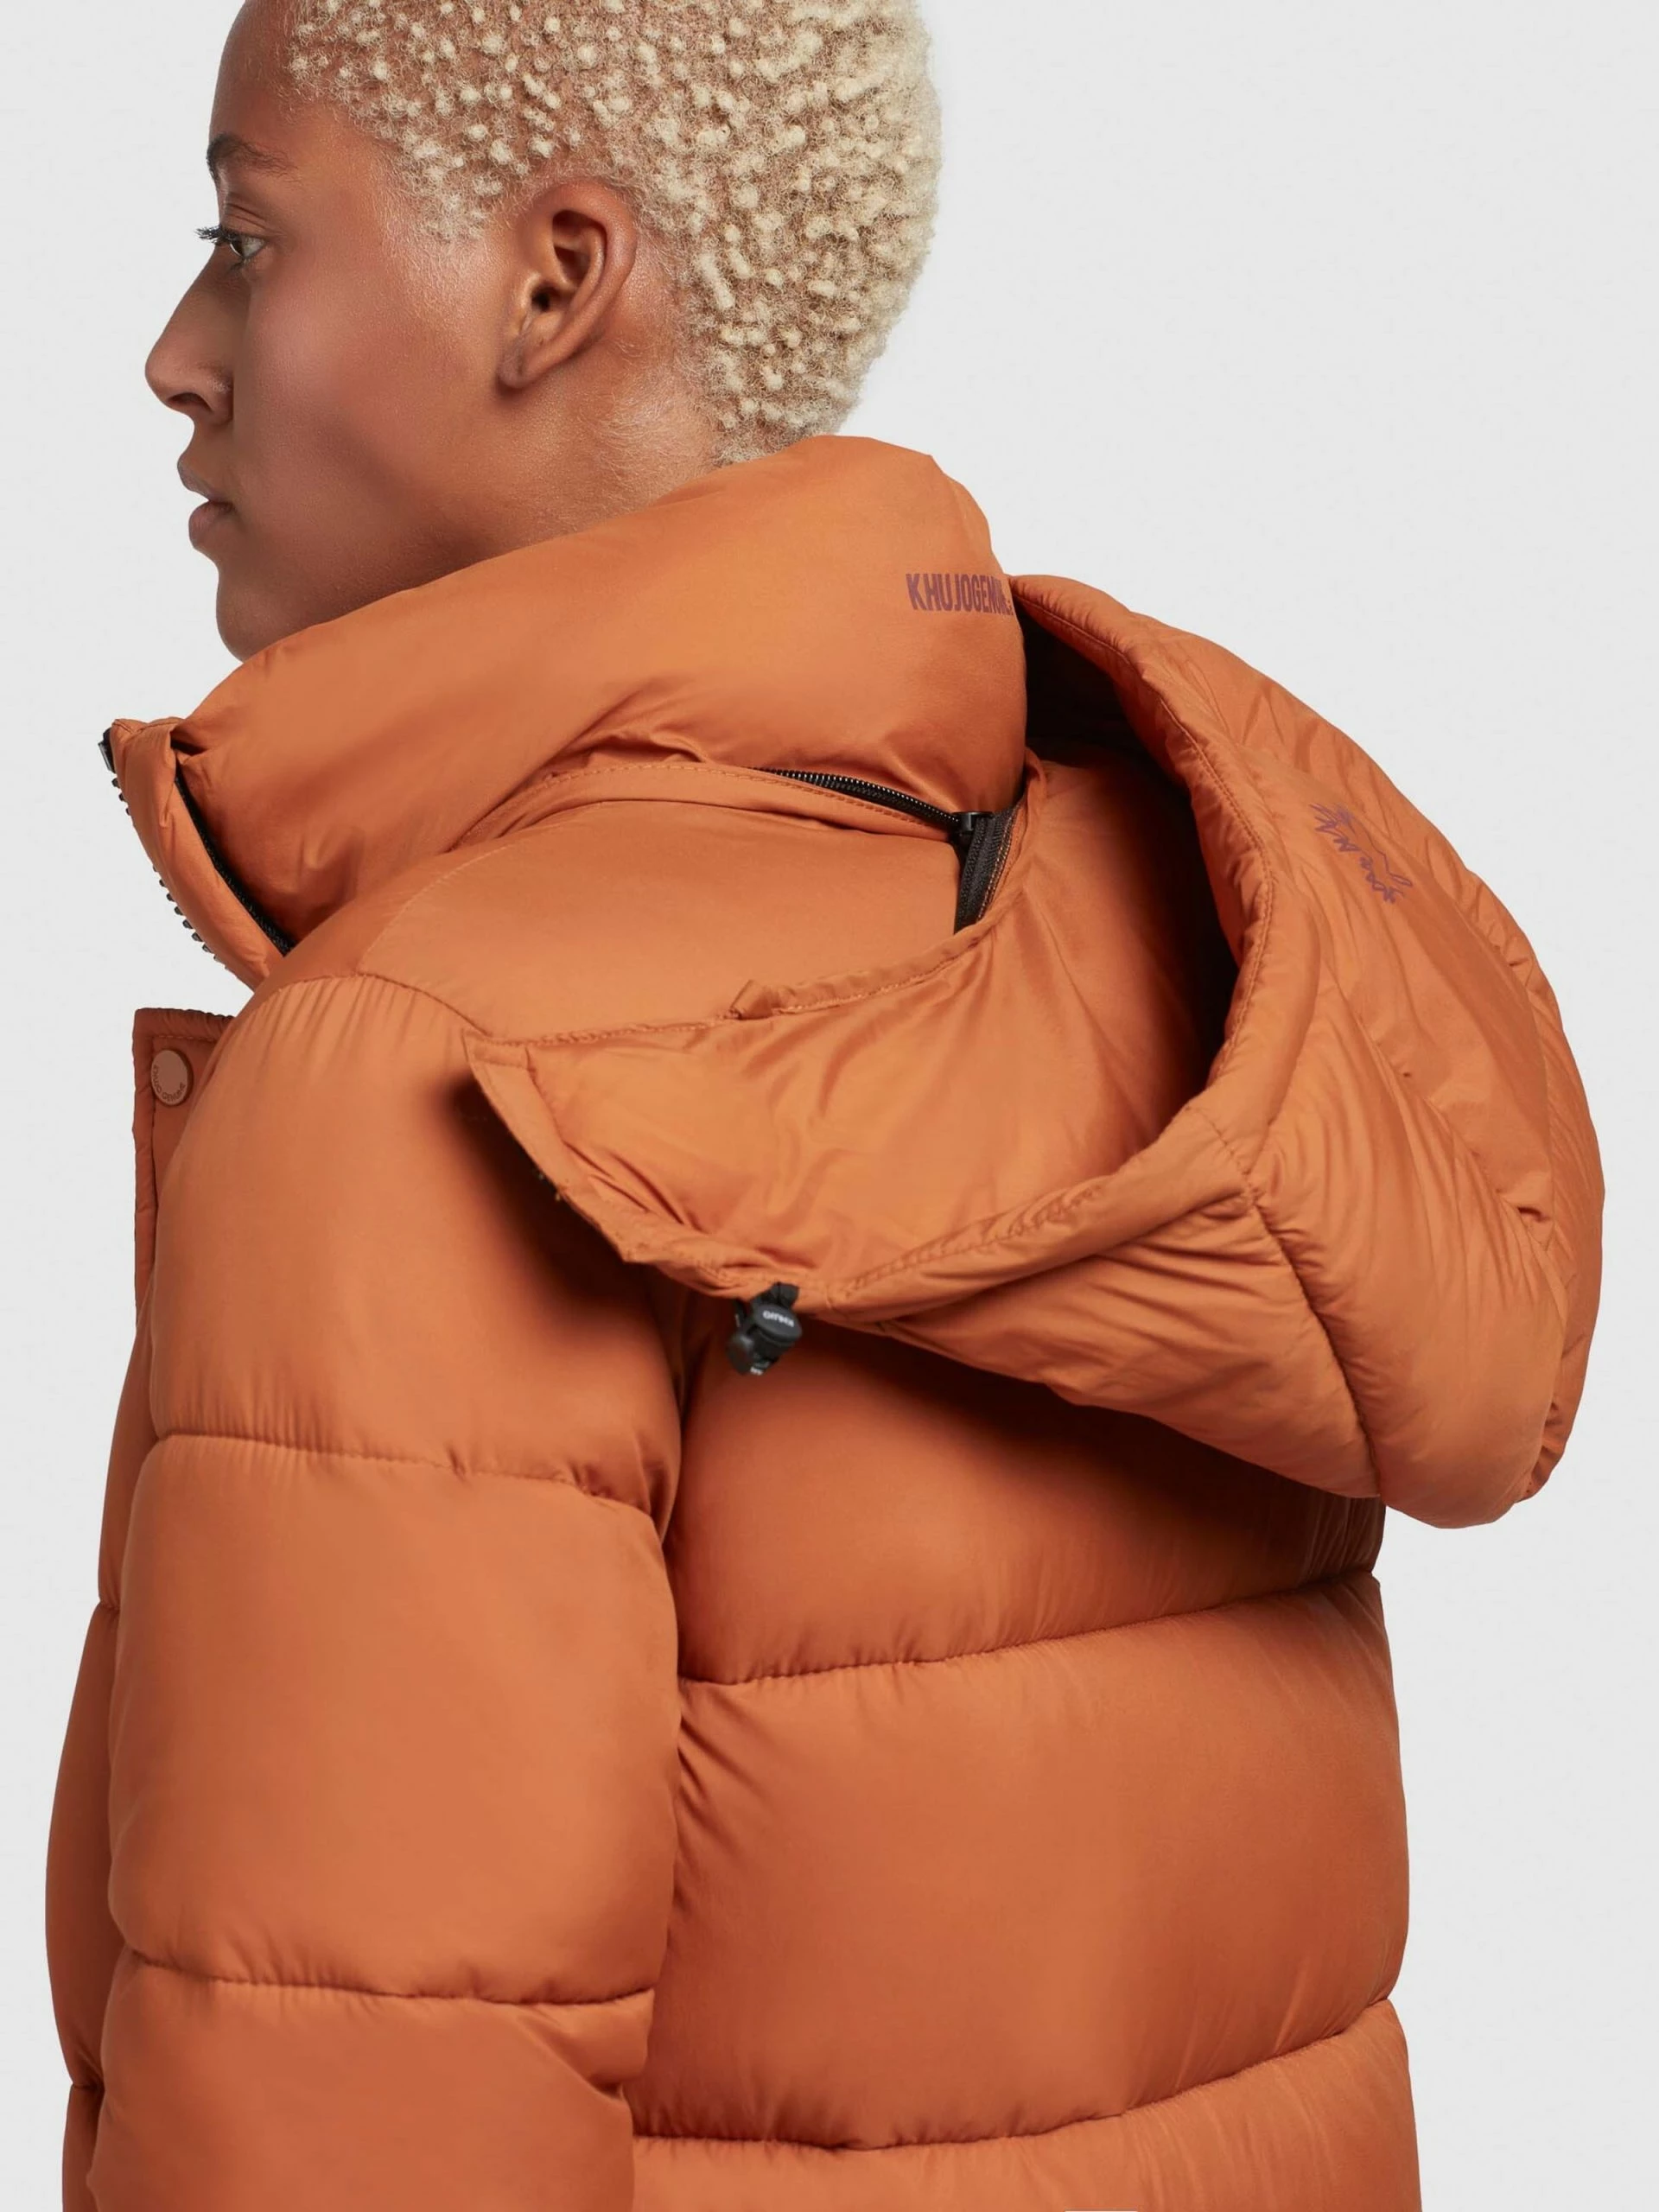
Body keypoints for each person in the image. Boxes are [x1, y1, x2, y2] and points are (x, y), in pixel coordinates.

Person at [44, 3, 1602, 2208]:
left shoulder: (425, 1067)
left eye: (248, 240)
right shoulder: (1188, 960)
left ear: (554, 281)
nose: (175, 354)